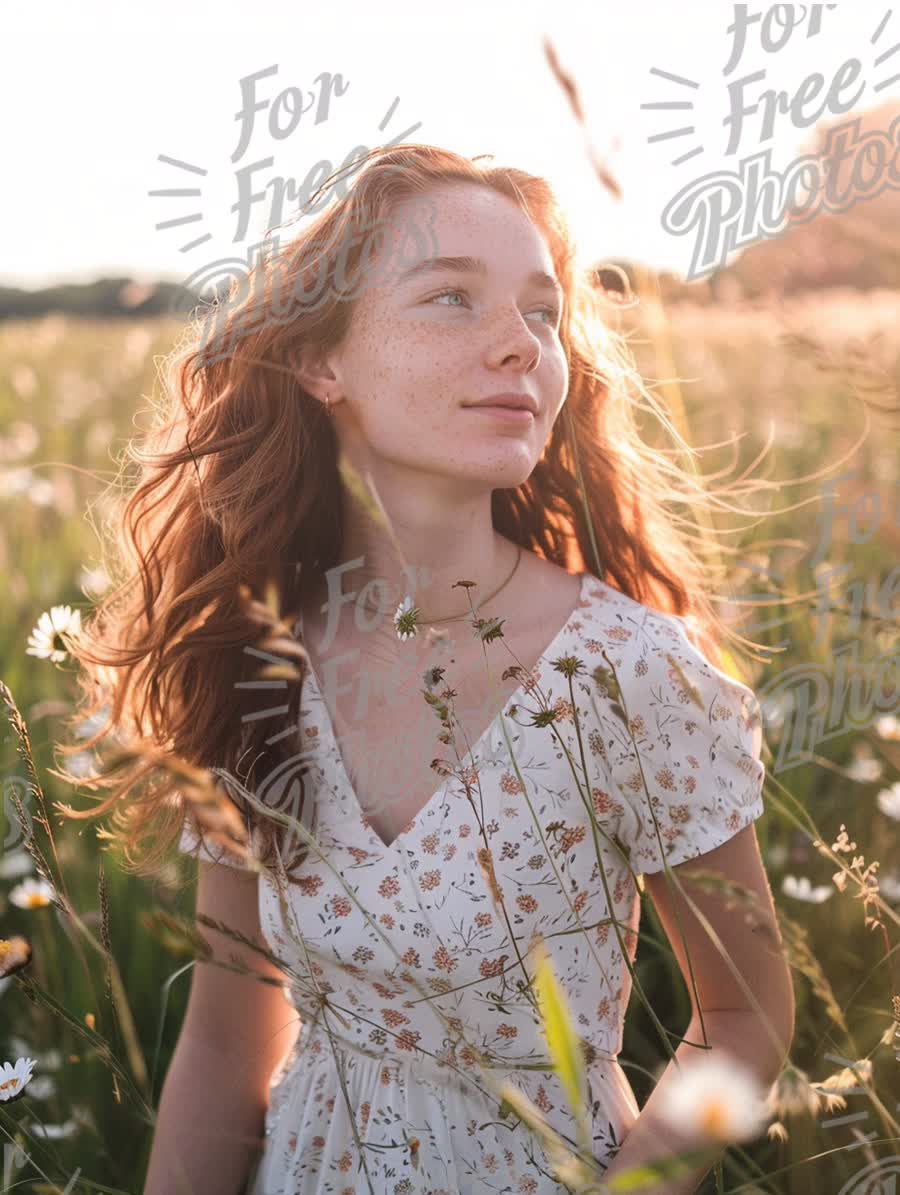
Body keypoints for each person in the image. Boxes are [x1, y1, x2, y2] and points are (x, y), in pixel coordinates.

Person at [64, 144, 793, 1194]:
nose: (520, 346)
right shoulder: (259, 657)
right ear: (323, 362)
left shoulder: (633, 675)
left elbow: (748, 1022)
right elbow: (228, 1047)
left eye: (542, 313)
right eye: (451, 298)